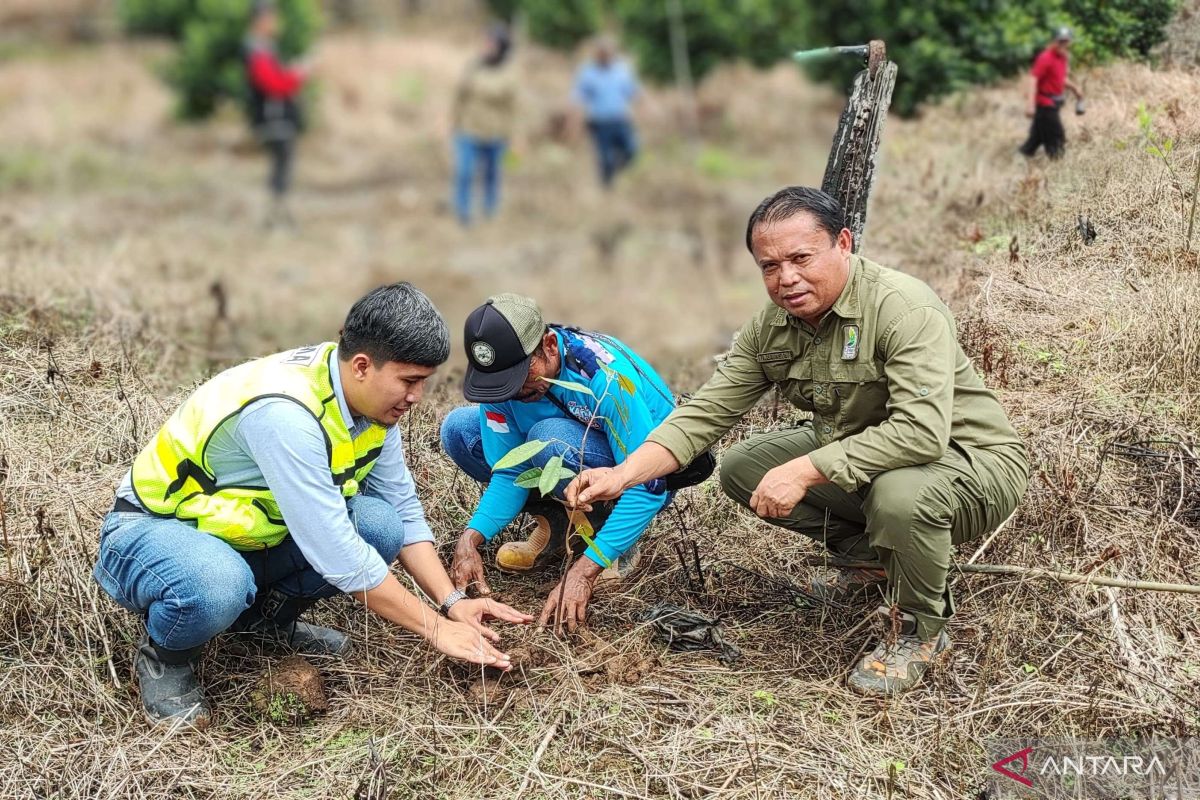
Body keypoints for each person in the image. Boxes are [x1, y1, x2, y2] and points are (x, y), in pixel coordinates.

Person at [567, 187, 1029, 697]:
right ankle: (874, 558)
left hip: (969, 462)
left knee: (900, 496)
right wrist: (622, 473)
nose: (786, 278)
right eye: (769, 266)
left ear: (844, 243)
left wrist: (805, 470)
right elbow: (704, 414)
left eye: (801, 258)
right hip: (867, 453)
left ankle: (921, 629)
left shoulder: (902, 307)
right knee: (743, 467)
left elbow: (921, 432)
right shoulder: (773, 326)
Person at [93, 283, 532, 729]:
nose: (418, 396)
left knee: (378, 526)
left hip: (238, 534)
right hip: (153, 532)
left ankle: (262, 625)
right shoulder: (286, 414)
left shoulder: (370, 404)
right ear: (362, 365)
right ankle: (166, 656)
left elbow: (400, 507)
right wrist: (438, 630)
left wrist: (452, 602)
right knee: (218, 583)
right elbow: (337, 554)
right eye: (410, 380)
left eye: (424, 381)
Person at [440, 294, 703, 632]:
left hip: (643, 476)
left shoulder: (604, 377)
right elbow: (509, 470)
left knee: (548, 436)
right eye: (500, 382)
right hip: (564, 452)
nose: (513, 391)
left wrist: (586, 569)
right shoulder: (508, 388)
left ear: (549, 345)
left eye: (521, 375)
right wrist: (471, 537)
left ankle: (612, 543)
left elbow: (651, 485)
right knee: (460, 430)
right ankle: (559, 525)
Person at [244, 0, 309, 226]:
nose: (275, 23)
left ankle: (277, 214)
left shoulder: (264, 48)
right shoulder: (257, 50)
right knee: (281, 163)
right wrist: (296, 75)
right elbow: (272, 84)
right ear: (261, 20)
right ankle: (275, 215)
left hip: (278, 115)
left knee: (282, 164)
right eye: (272, 18)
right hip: (273, 117)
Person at [450, 24, 518, 225]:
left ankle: (490, 209)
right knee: (465, 171)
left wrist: (514, 136)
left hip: (495, 132)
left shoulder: (508, 74)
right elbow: (459, 97)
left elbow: (513, 108)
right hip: (468, 128)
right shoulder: (473, 67)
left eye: (491, 43)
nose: (486, 46)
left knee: (492, 174)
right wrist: (452, 122)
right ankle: (463, 212)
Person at [572, 37, 640, 187]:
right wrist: (575, 122)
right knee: (606, 159)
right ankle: (607, 187)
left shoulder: (622, 70)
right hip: (600, 122)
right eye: (602, 53)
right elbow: (579, 98)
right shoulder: (588, 72)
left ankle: (616, 171)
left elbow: (633, 92)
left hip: (620, 119)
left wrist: (648, 109)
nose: (605, 56)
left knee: (631, 151)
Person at [1019, 26, 1085, 160]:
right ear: (1054, 41)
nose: (1063, 44)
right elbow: (1033, 79)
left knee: (1036, 137)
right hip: (1045, 103)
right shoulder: (1045, 58)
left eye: (1066, 41)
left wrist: (1075, 89)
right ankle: (1058, 167)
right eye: (1060, 41)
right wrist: (1030, 104)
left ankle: (1022, 157)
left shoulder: (1063, 58)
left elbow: (1060, 78)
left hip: (1054, 102)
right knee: (1057, 136)